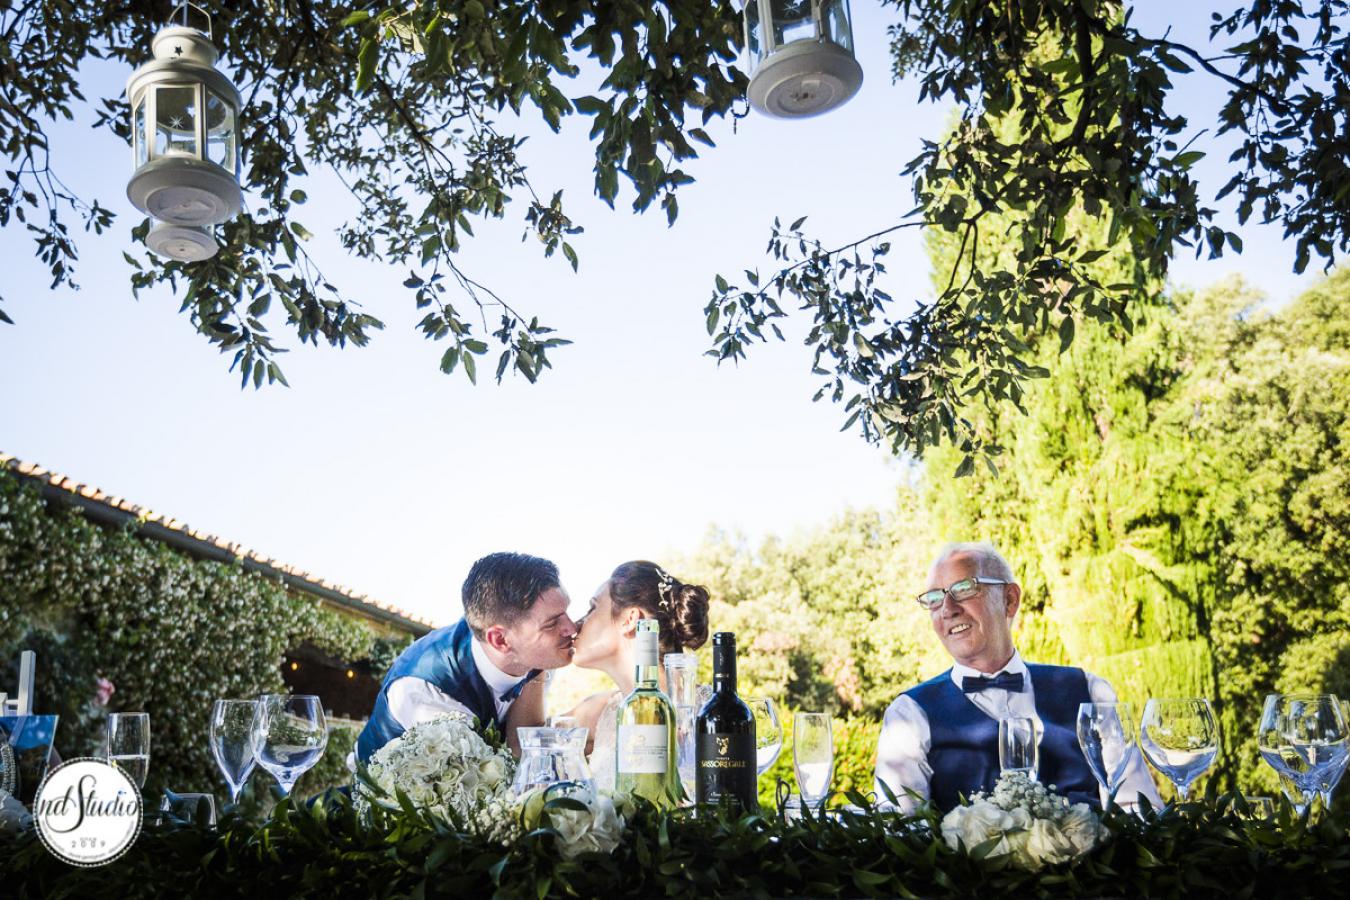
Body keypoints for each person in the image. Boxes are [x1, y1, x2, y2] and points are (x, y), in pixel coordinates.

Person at [874, 542, 1161, 812]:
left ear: (1009, 599)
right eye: (935, 599)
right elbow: (901, 833)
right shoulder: (908, 715)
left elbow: (1138, 808)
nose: (948, 609)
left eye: (963, 589)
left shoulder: (1089, 690)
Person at [355, 552, 577, 764]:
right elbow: (483, 786)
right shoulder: (427, 690)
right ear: (500, 640)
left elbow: (522, 741)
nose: (571, 627)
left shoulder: (534, 651)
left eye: (567, 612)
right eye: (552, 623)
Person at [563, 561, 710, 790]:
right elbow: (518, 749)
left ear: (629, 620)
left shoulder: (708, 713)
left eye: (592, 608)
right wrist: (538, 659)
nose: (575, 625)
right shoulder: (598, 712)